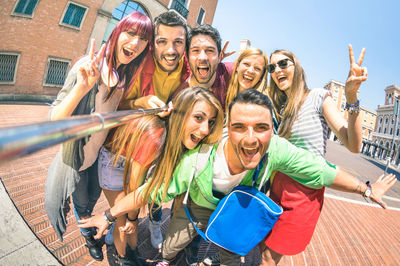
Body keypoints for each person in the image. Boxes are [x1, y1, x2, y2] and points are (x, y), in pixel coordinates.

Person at [78, 90, 396, 265]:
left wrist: (366, 189)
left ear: (272, 130)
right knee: (172, 248)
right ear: (229, 129)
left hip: (234, 212)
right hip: (197, 209)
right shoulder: (197, 161)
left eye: (262, 128)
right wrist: (108, 214)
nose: (251, 138)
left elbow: (323, 172)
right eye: (240, 127)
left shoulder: (277, 150)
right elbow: (149, 191)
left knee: (232, 256)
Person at [45, 11, 153, 262]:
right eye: (131, 33)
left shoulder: (124, 75)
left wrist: (144, 102)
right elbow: (54, 120)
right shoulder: (87, 67)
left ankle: (90, 228)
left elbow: (115, 112)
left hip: (98, 158)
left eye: (143, 38)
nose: (135, 43)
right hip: (76, 161)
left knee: (92, 201)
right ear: (117, 32)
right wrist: (82, 88)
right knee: (82, 205)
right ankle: (87, 237)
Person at [261, 45, 368, 265]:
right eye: (272, 67)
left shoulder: (318, 96)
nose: (277, 70)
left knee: (268, 257)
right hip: (277, 187)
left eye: (283, 63)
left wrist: (351, 96)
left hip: (304, 191)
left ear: (296, 67)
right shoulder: (280, 109)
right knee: (262, 246)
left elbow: (353, 144)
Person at [172, 24, 235, 110]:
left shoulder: (230, 72)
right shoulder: (179, 99)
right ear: (187, 56)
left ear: (220, 57)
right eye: (195, 50)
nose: (203, 58)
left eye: (210, 51)